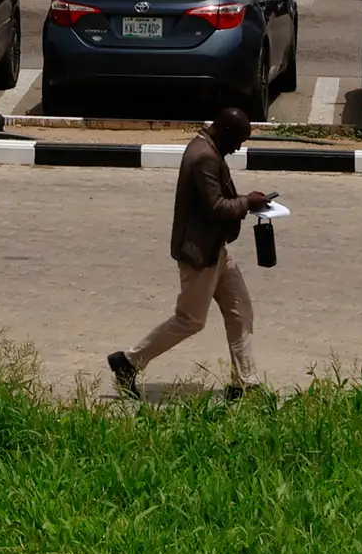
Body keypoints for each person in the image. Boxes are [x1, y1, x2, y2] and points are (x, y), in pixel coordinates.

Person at [109, 107, 272, 401]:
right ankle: (129, 362)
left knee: (240, 312)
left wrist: (247, 200)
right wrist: (247, 202)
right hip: (200, 254)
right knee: (190, 320)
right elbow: (216, 207)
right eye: (238, 140)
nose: (239, 147)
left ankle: (245, 382)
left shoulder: (207, 147)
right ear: (224, 132)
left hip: (216, 249)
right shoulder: (204, 157)